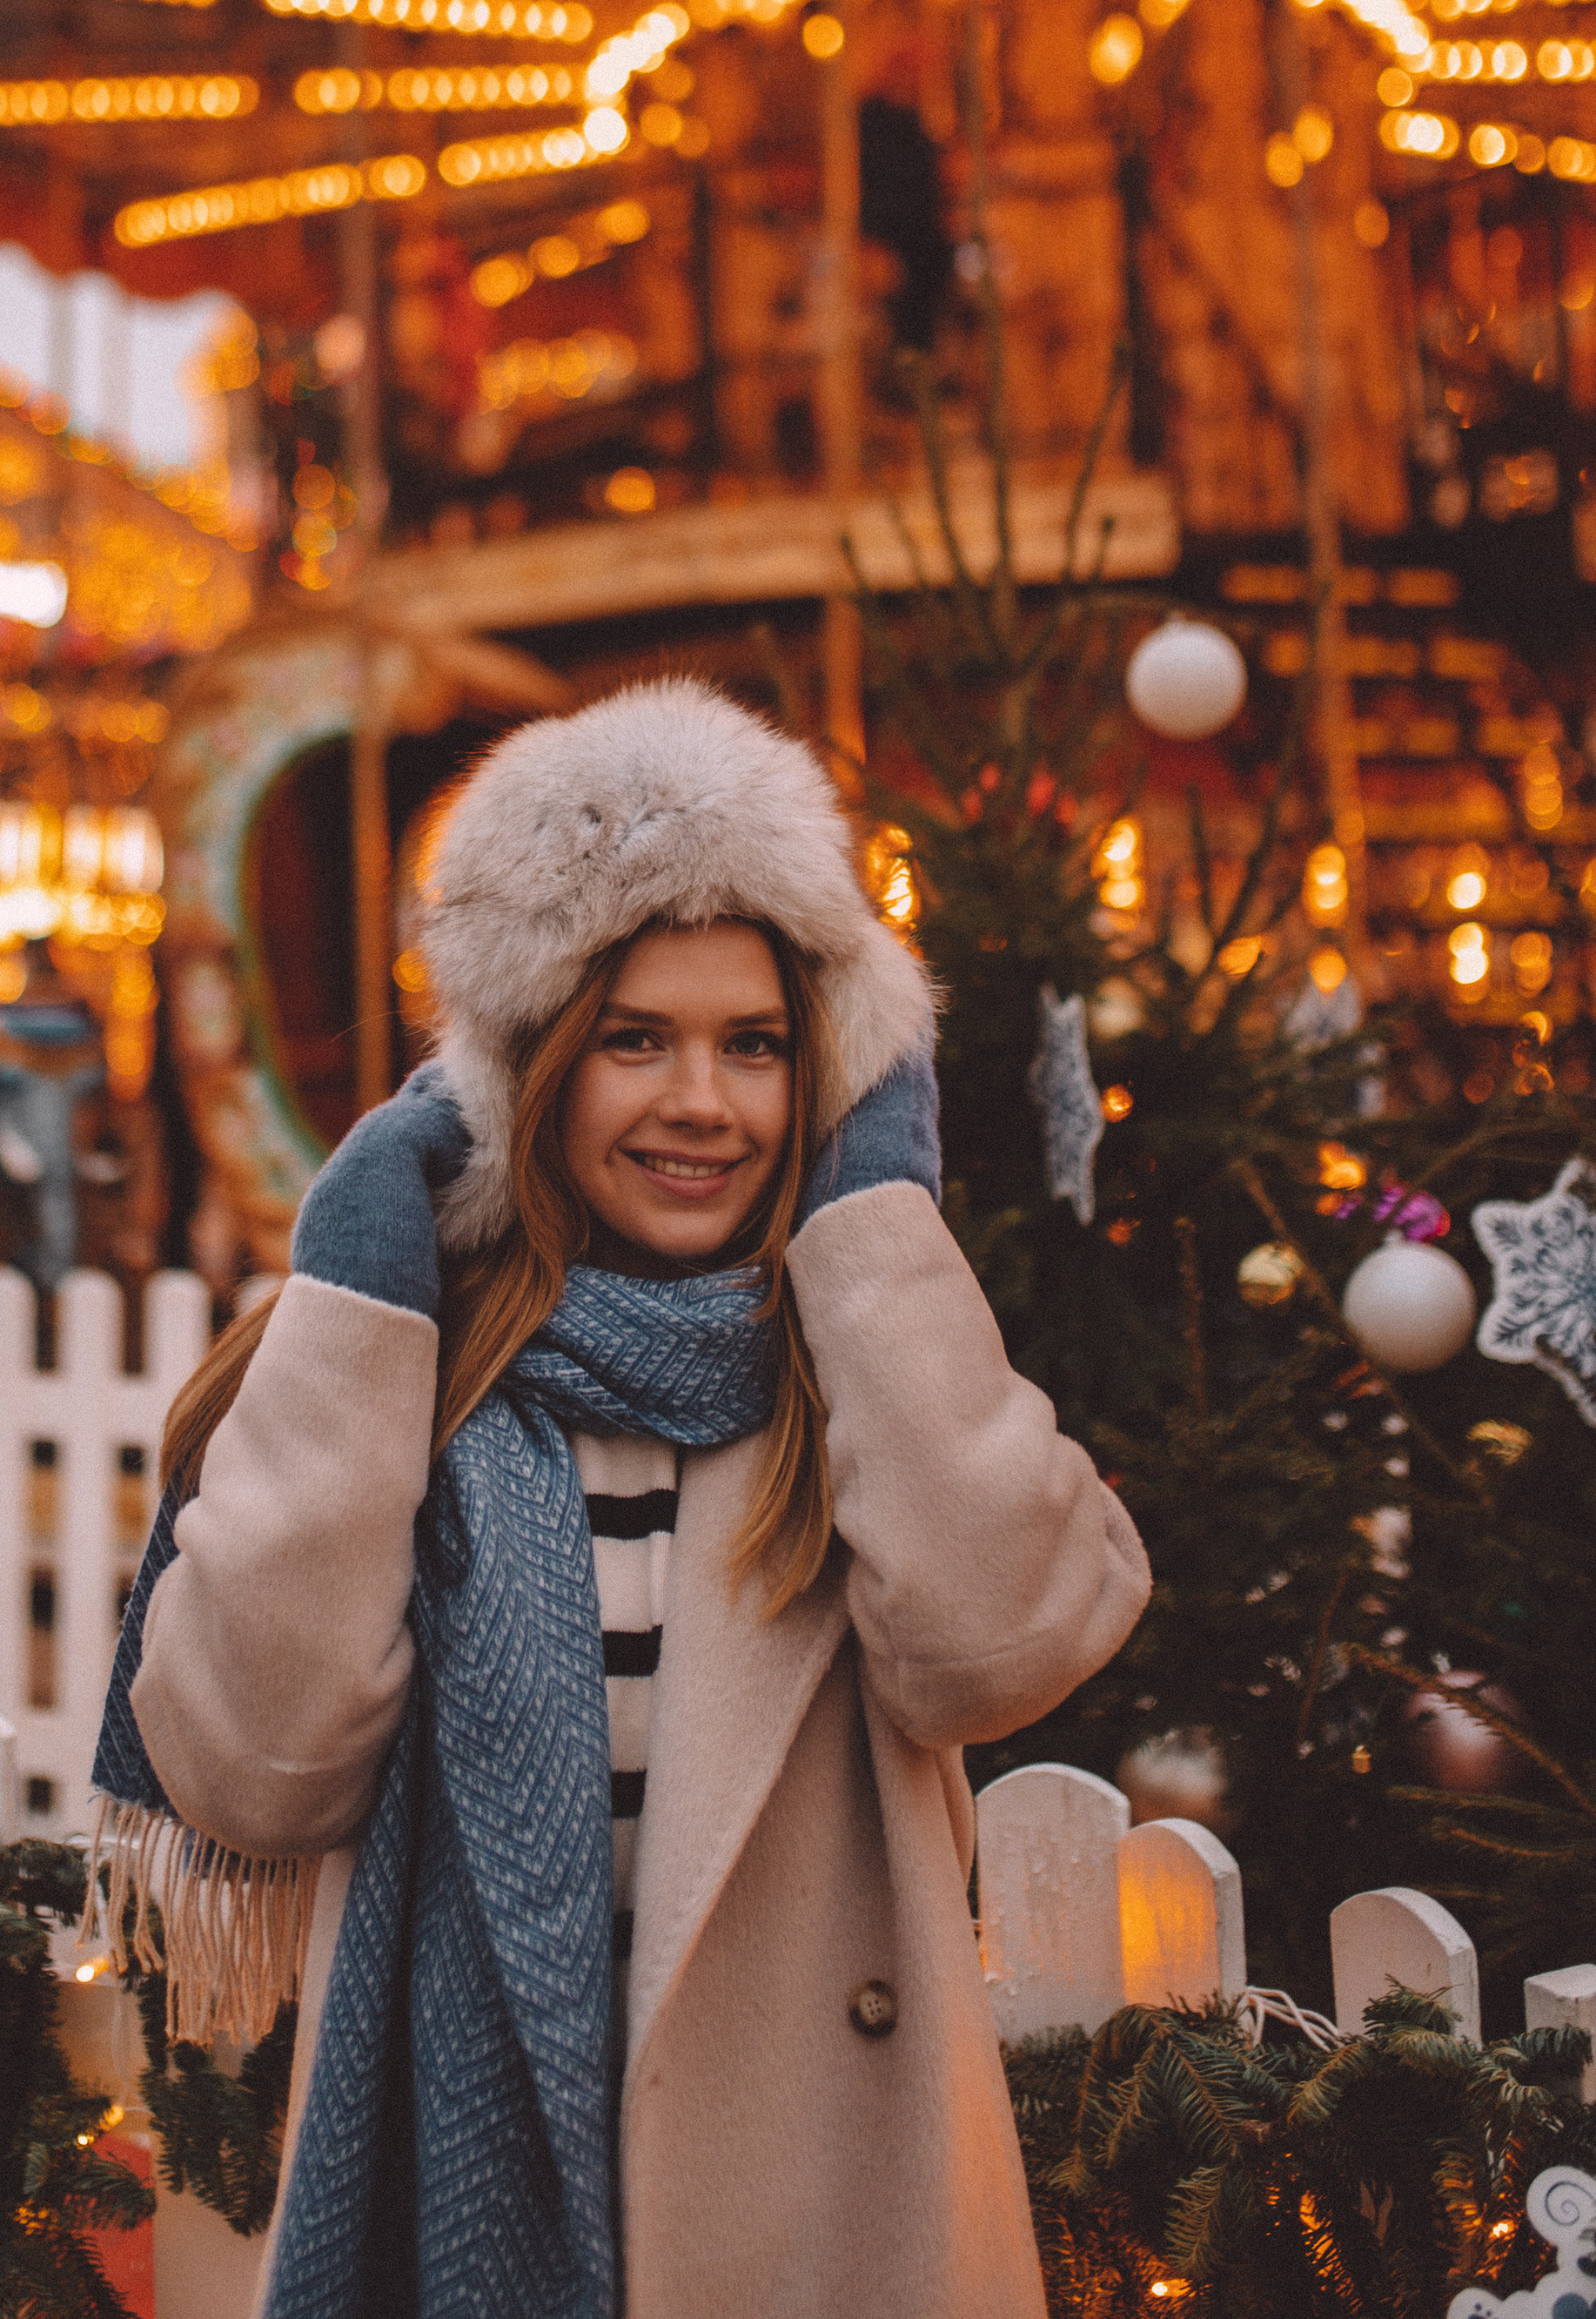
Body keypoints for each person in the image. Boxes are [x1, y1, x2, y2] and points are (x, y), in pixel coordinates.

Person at [91, 678, 1150, 2318]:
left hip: (822, 2223)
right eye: (633, 1041)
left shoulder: (854, 1372)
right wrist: (357, 1319)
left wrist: (872, 1232)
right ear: (528, 1075)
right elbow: (251, 1768)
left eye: (759, 1047)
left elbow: (999, 1642)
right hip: (466, 2215)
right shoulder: (411, 1387)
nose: (702, 1106)